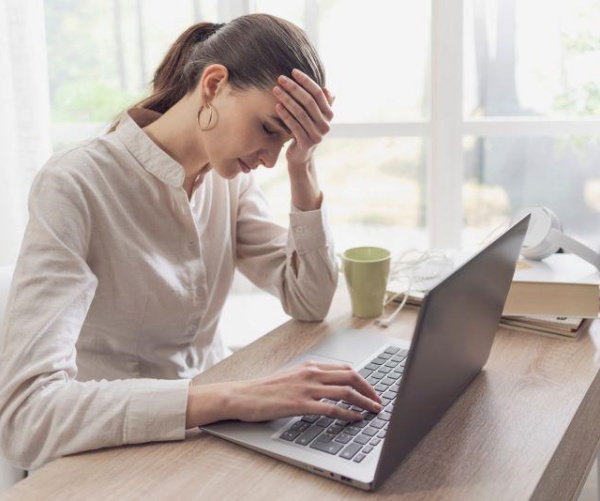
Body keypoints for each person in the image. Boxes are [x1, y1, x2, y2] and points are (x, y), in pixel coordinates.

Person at [0, 13, 382, 471]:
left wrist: (304, 167)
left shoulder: (227, 178)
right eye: (268, 130)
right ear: (214, 84)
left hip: (215, 430)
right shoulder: (76, 184)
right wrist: (235, 397)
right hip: (107, 452)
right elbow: (25, 417)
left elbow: (310, 299)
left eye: (287, 141)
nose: (268, 160)